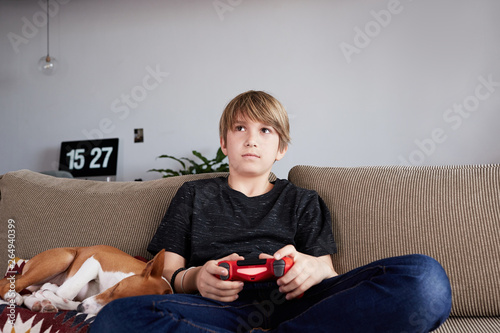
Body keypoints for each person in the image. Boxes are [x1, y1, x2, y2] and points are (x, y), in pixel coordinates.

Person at [90, 90, 452, 332]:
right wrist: (198, 277)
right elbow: (167, 276)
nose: (251, 138)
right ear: (224, 142)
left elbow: (327, 271)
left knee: (426, 280)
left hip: (301, 307)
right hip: (217, 310)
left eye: (265, 130)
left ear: (281, 148)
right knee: (116, 318)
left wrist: (309, 268)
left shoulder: (304, 200)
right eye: (240, 128)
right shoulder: (193, 194)